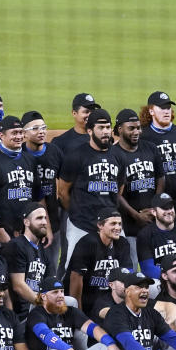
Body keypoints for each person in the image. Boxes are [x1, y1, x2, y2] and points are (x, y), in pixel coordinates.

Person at [57, 108, 120, 269]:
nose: (105, 131)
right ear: (90, 131)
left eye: (107, 127)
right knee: (69, 268)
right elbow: (63, 192)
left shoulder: (118, 156)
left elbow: (120, 189)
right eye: (101, 128)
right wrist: (77, 212)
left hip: (110, 225)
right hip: (80, 225)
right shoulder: (76, 156)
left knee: (114, 268)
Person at [109, 108, 165, 269]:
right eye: (131, 128)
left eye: (138, 127)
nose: (137, 131)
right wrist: (136, 215)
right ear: (120, 129)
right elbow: (115, 193)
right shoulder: (113, 154)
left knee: (157, 267)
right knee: (131, 269)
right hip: (127, 223)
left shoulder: (151, 148)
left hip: (152, 220)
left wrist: (155, 206)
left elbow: (160, 178)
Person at [0, 115, 40, 236]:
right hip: (4, 232)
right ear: (2, 135)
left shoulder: (30, 160)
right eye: (14, 133)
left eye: (20, 132)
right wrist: (2, 235)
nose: (19, 137)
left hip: (29, 231)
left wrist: (44, 228)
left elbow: (38, 198)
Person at [69, 209, 133, 316]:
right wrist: (79, 314)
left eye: (119, 224)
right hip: (88, 301)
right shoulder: (88, 243)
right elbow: (75, 278)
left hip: (110, 301)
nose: (118, 228)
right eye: (113, 223)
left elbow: (128, 275)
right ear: (100, 225)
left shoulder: (122, 243)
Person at [139, 91, 176, 216]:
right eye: (162, 108)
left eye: (168, 107)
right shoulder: (143, 136)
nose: (166, 111)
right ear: (151, 111)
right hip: (154, 203)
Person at [2, 203, 55, 319]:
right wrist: (45, 305)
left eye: (45, 218)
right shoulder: (16, 246)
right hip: (23, 312)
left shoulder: (44, 251)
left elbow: (50, 284)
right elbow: (18, 286)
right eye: (39, 218)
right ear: (26, 222)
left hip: (39, 306)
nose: (44, 222)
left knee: (71, 303)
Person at [22, 111, 62, 256]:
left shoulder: (54, 152)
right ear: (24, 134)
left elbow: (64, 182)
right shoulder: (20, 155)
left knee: (51, 266)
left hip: (51, 215)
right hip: (24, 221)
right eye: (35, 128)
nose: (41, 132)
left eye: (44, 128)